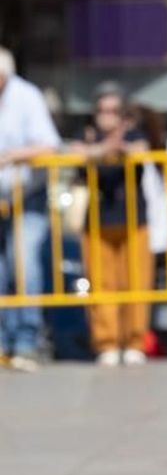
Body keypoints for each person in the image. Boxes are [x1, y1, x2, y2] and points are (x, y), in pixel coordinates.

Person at [73, 85, 154, 366]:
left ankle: (134, 341)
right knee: (102, 283)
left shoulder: (134, 135)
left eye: (113, 112)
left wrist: (121, 147)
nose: (107, 117)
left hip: (133, 217)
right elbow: (75, 153)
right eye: (102, 111)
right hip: (97, 220)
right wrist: (104, 149)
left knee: (136, 281)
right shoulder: (88, 135)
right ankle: (106, 342)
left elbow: (142, 150)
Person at [0, 46, 62, 372]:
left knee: (24, 267)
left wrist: (12, 156)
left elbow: (49, 146)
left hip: (28, 197)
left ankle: (27, 342)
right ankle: (2, 342)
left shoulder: (27, 97)